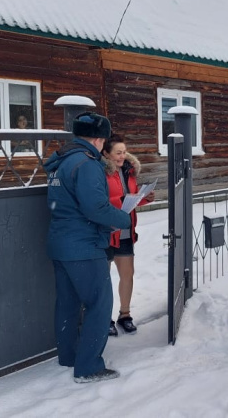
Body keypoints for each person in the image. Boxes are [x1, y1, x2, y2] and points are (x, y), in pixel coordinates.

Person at [44, 112, 131, 384]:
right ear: (98, 138)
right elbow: (96, 207)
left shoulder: (61, 162)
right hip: (83, 245)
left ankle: (69, 356)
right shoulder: (88, 164)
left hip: (60, 242)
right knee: (99, 304)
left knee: (68, 304)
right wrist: (124, 218)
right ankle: (89, 366)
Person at [101, 134, 155, 337]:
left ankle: (125, 315)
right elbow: (100, 202)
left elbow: (129, 202)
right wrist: (123, 198)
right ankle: (104, 318)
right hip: (106, 231)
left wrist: (144, 198)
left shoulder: (128, 172)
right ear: (106, 153)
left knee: (127, 275)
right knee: (103, 279)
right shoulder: (100, 173)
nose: (122, 156)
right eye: (118, 152)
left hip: (125, 231)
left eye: (124, 152)